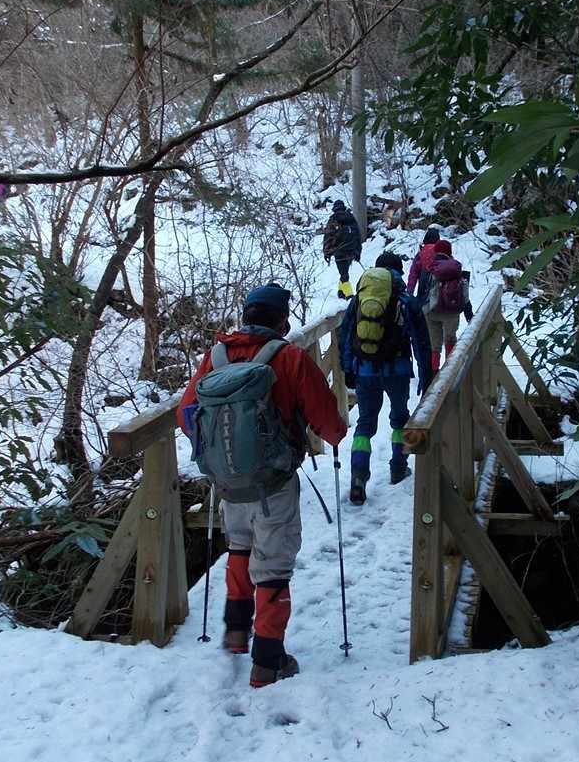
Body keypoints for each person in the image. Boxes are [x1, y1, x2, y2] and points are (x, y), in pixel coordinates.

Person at [177, 282, 348, 687]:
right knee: (273, 564)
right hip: (273, 483)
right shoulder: (289, 357)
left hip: (227, 482)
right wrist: (338, 435)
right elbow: (326, 421)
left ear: (246, 315)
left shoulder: (215, 357)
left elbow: (186, 413)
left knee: (240, 546)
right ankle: (268, 661)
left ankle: (236, 632)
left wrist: (218, 454)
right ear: (281, 320)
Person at [340, 251, 432, 503]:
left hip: (364, 371)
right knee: (400, 418)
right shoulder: (406, 300)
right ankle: (398, 468)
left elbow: (346, 336)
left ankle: (358, 475)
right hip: (397, 371)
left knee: (365, 423)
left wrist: (348, 369)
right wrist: (427, 379)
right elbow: (421, 343)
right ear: (399, 273)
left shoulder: (359, 299)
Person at [423, 239, 474, 375]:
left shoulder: (430, 267)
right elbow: (463, 291)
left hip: (432, 310)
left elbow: (423, 291)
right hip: (452, 310)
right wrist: (468, 313)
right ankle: (450, 371)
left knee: (435, 345)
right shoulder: (455, 267)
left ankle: (434, 374)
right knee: (450, 339)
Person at [322, 200, 363, 298]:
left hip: (339, 251)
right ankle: (341, 292)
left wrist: (326, 251)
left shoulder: (333, 219)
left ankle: (349, 295)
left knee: (344, 273)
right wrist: (358, 252)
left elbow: (328, 235)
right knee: (344, 271)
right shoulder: (351, 218)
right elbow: (358, 234)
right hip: (352, 250)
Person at [405, 226, 441, 303]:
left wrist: (409, 294)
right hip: (442, 292)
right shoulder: (443, 253)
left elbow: (413, 276)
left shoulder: (421, 255)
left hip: (424, 292)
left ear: (425, 241)